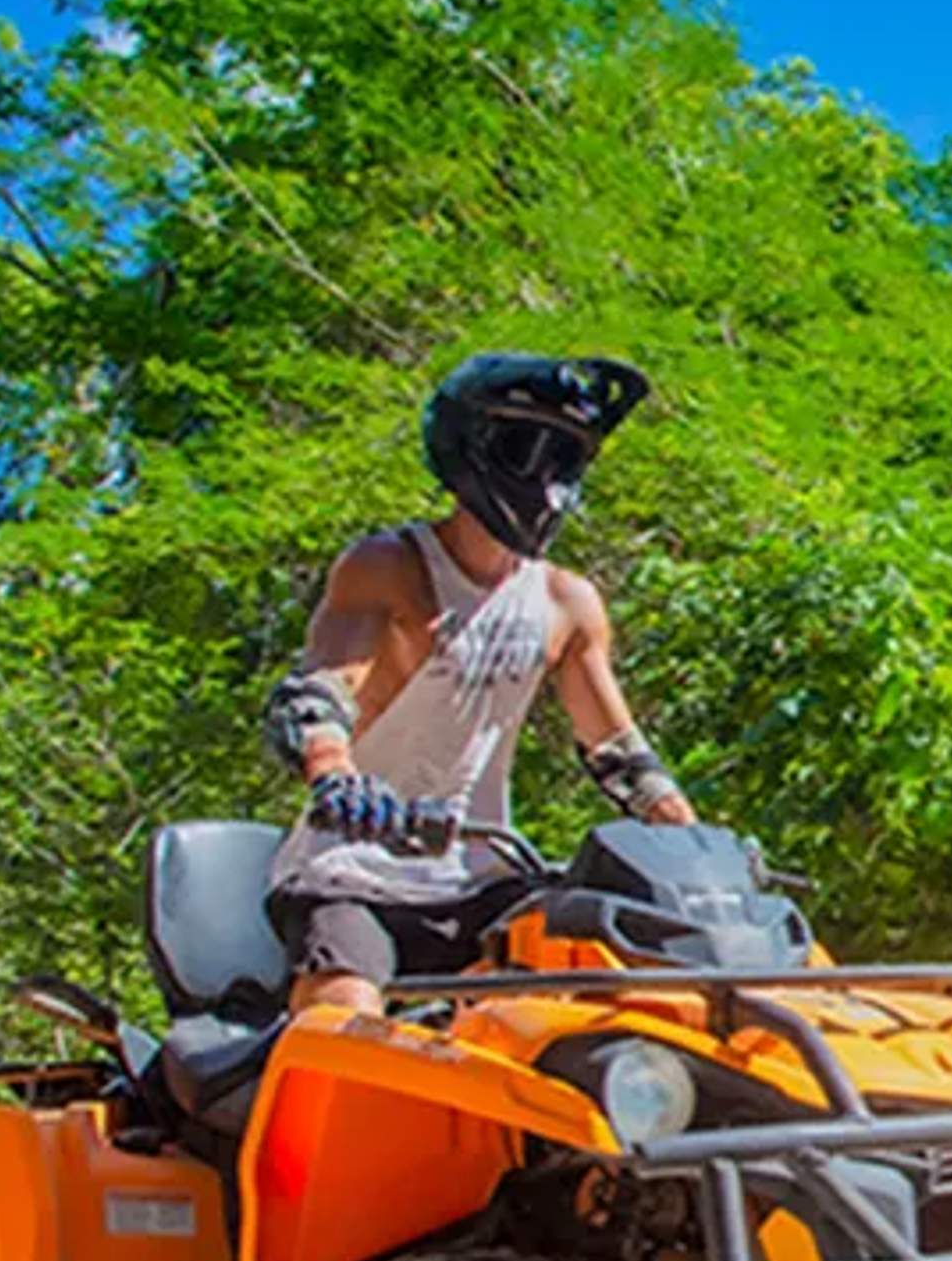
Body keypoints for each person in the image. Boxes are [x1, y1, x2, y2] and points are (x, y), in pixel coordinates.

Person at [259, 352, 699, 1018]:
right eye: (529, 448)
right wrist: (334, 774)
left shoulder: (566, 603)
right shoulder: (388, 567)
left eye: (567, 460)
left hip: (483, 878)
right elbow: (321, 690)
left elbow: (618, 750)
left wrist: (694, 840)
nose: (547, 478)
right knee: (342, 1013)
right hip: (355, 869)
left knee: (613, 988)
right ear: (471, 449)